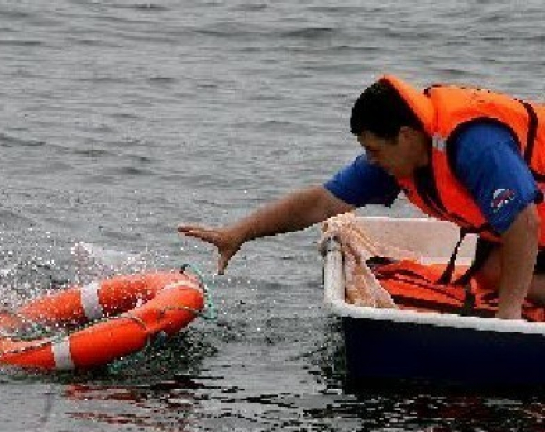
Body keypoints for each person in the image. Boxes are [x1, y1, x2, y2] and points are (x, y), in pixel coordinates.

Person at [179, 74, 545, 320]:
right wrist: (238, 233)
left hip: (531, 221)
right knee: (495, 274)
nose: (369, 160)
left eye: (373, 149)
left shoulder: (476, 145)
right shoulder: (398, 156)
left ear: (404, 135)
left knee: (509, 274)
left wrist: (506, 322)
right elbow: (321, 203)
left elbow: (524, 223)